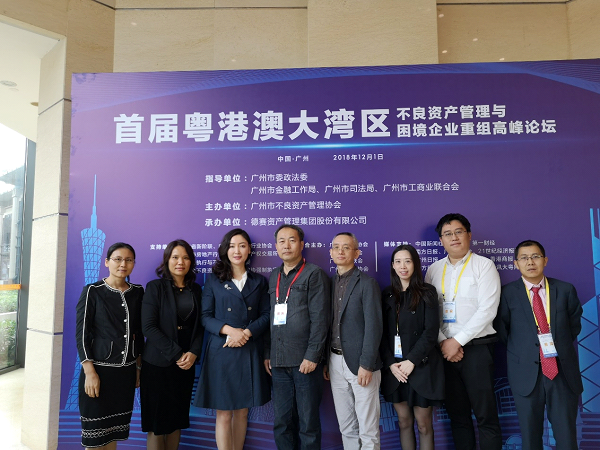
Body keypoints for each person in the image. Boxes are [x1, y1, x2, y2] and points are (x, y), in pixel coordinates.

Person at [424, 213, 502, 450]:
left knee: (486, 417)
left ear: (469, 235)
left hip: (477, 350)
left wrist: (456, 341)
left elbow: (488, 310)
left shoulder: (484, 266)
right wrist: (444, 342)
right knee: (458, 418)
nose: (454, 237)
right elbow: (429, 313)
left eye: (459, 232)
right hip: (444, 353)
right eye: (447, 234)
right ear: (441, 240)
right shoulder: (433, 270)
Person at [496, 240, 583, 450]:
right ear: (516, 263)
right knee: (530, 438)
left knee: (566, 438)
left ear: (545, 260)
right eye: (524, 258)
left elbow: (574, 326)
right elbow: (502, 331)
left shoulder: (565, 290)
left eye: (535, 256)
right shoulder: (507, 294)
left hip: (561, 373)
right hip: (526, 374)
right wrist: (527, 348)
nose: (530, 262)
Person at [194, 229, 271, 450]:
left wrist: (245, 333)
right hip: (222, 350)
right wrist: (230, 331)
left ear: (249, 250)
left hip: (249, 348)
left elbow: (267, 314)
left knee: (243, 411)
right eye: (232, 246)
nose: (237, 251)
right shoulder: (214, 281)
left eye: (242, 246)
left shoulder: (259, 281)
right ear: (225, 250)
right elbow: (205, 317)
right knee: (224, 412)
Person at [264, 224, 330, 450]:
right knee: (282, 423)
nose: (286, 245)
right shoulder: (274, 276)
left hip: (305, 363)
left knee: (308, 424)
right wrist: (268, 353)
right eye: (281, 241)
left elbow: (320, 319)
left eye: (292, 240)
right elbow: (271, 318)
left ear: (301, 245)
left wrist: (312, 356)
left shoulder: (314, 274)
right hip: (279, 362)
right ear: (276, 246)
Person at [75, 242, 144, 450]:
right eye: (118, 259)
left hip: (125, 374)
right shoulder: (93, 291)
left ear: (133, 264)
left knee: (112, 434)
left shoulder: (138, 292)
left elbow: (139, 334)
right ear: (107, 262)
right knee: (94, 438)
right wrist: (90, 373)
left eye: (128, 260)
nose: (123, 264)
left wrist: (138, 368)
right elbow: (82, 333)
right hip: (98, 372)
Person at [141, 239, 204, 450]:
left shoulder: (196, 290)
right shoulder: (155, 287)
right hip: (158, 366)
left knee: (177, 421)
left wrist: (194, 352)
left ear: (191, 262)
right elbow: (148, 327)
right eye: (175, 257)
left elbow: (200, 326)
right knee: (157, 426)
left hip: (185, 367)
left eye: (185, 258)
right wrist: (177, 354)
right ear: (167, 260)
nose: (180, 262)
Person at [380, 245, 444, 450]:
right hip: (396, 370)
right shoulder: (387, 294)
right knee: (404, 423)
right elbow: (381, 334)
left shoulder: (427, 292)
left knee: (424, 425)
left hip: (421, 367)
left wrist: (411, 361)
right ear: (392, 266)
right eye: (398, 262)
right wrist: (391, 364)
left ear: (415, 264)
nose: (403, 266)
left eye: (407, 261)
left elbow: (430, 332)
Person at [323, 232, 382, 450]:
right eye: (336, 247)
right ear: (331, 252)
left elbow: (374, 327)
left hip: (361, 363)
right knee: (346, 427)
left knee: (368, 429)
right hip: (334, 361)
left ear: (356, 253)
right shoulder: (327, 284)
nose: (340, 251)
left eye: (346, 247)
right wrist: (326, 362)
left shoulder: (367, 283)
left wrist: (367, 364)